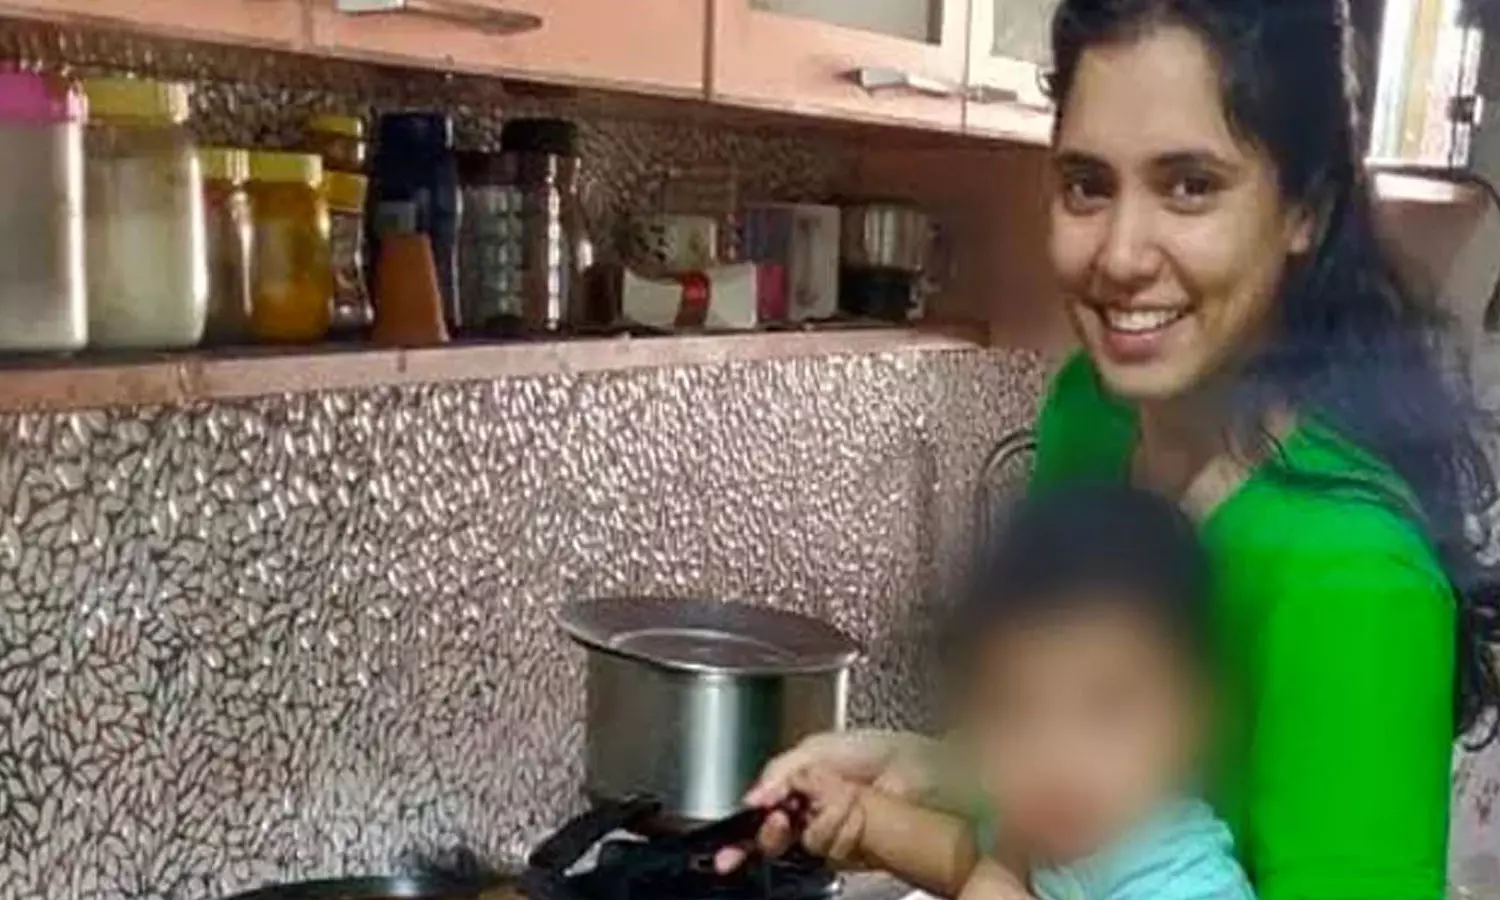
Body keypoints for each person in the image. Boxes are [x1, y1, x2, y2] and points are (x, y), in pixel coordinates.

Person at [717, 1, 1500, 898]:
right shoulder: (1090, 415)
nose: (1122, 255)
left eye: (1190, 185)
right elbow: (1081, 796)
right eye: (1088, 185)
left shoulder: (1356, 583)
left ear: (1306, 212)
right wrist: (923, 769)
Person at [781, 484, 1253, 900]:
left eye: (1106, 709)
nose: (1057, 756)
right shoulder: (1067, 835)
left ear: (1194, 718)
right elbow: (964, 856)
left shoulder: (1182, 879)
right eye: (1015, 713)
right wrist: (862, 816)